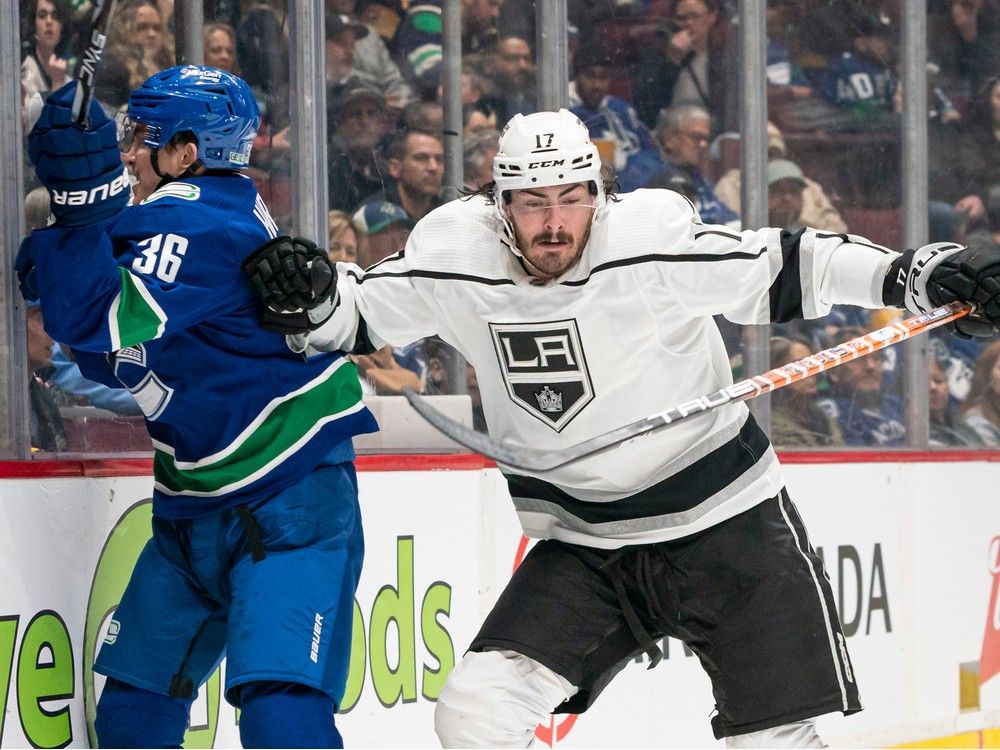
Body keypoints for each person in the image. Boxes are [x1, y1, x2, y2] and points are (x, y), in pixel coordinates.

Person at [244, 108, 1000, 748]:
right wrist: (312, 300)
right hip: (587, 544)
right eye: (531, 202)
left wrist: (919, 274)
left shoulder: (648, 236)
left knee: (774, 740)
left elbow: (784, 263)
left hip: (725, 524)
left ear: (599, 195)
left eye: (572, 199)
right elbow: (361, 314)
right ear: (496, 201)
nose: (552, 223)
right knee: (473, 710)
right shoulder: (456, 252)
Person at [23, 66, 376, 747]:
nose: (128, 152)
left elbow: (96, 317)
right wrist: (72, 227)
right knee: (134, 708)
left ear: (187, 152)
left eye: (143, 136)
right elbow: (61, 299)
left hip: (288, 498)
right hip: (194, 502)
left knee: (281, 711)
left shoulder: (201, 221)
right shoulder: (181, 216)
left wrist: (78, 200)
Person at [569, 46, 664, 194]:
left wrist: (631, 171)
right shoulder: (564, 112)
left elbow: (651, 152)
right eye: (590, 76)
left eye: (603, 77)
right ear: (576, 76)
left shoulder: (619, 109)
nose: (597, 85)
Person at [648, 104, 738, 226]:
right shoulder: (660, 177)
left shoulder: (699, 178)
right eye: (696, 137)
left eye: (707, 139)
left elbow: (729, 218)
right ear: (670, 139)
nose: (703, 145)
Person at [769, 335, 842, 447]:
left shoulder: (820, 415)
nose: (810, 372)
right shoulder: (769, 422)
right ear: (774, 372)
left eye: (811, 364)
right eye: (799, 366)